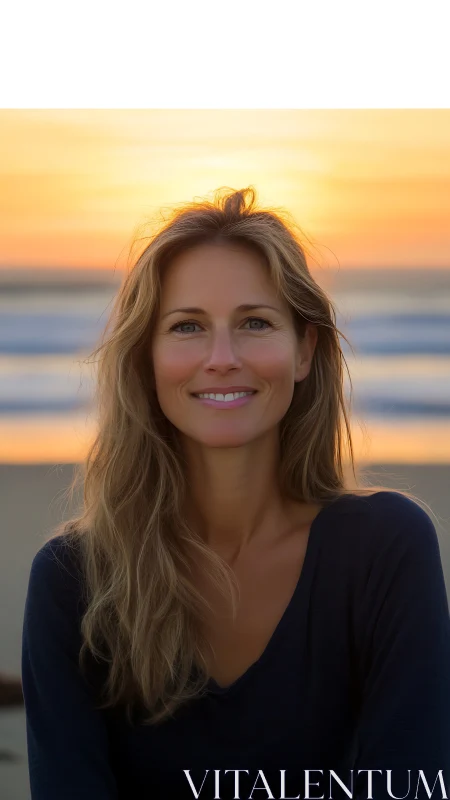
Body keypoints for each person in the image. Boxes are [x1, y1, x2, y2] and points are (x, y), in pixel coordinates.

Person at [21, 187, 450, 800]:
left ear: (304, 350)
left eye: (255, 322)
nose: (221, 358)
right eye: (188, 326)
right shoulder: (74, 580)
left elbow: (411, 784)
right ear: (147, 358)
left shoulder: (384, 548)